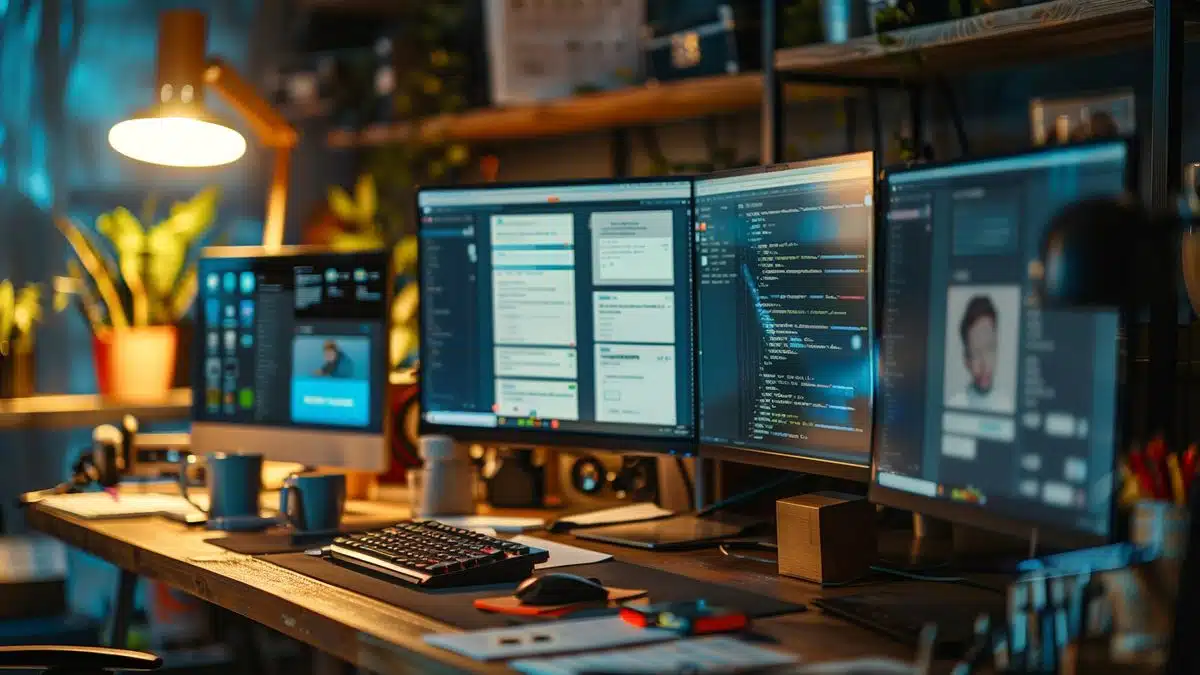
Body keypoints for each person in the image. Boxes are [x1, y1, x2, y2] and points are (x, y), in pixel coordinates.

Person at [953, 295, 998, 409]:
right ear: (966, 360)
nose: (984, 365)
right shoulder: (954, 407)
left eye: (989, 349)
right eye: (976, 353)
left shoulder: (1009, 405)